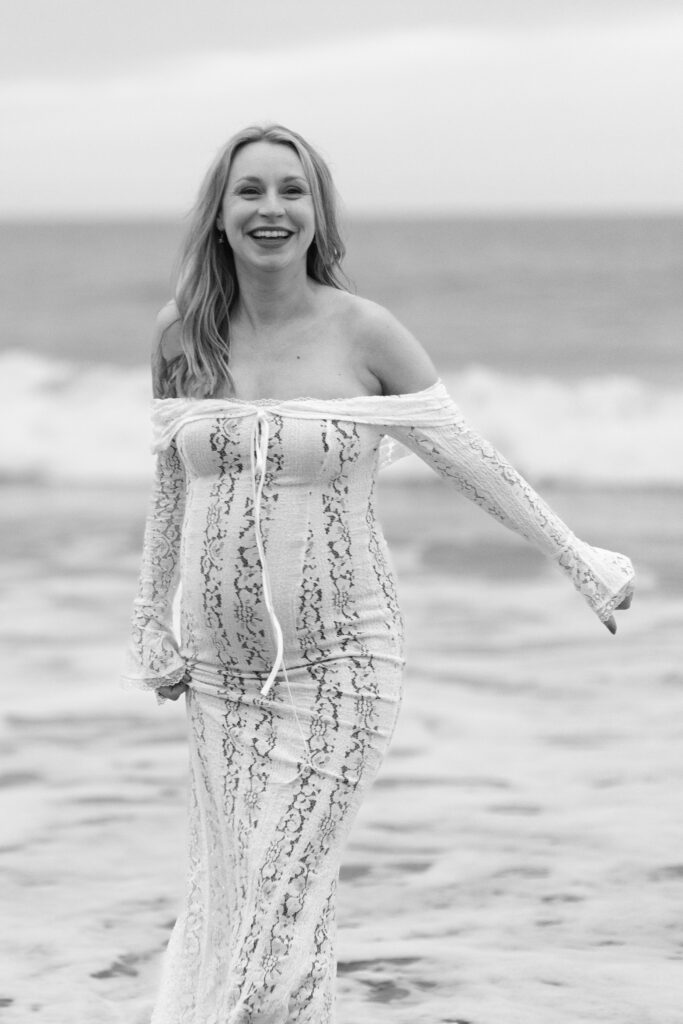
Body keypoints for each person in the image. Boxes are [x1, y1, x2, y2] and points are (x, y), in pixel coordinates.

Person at [122, 123, 634, 1024]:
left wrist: (576, 557)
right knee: (245, 904)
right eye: (250, 191)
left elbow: (470, 461)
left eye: (292, 191)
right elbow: (171, 486)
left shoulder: (366, 333)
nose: (272, 209)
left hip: (343, 667)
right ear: (220, 214)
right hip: (218, 677)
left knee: (275, 915)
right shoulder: (181, 334)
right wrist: (147, 618)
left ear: (318, 213)